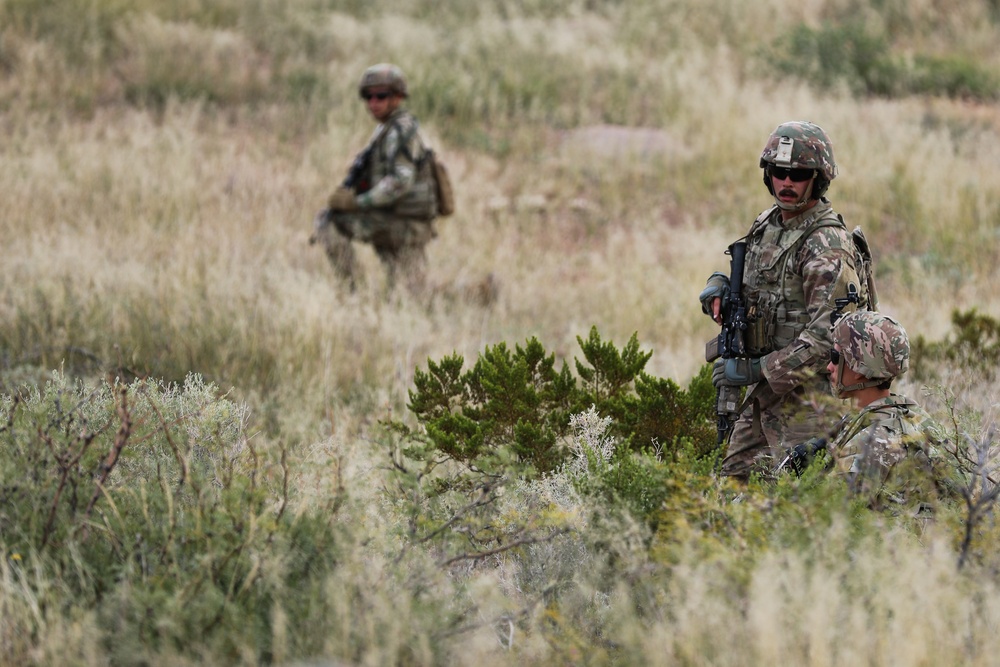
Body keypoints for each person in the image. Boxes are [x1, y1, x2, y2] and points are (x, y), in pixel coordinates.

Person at [700, 121, 867, 481]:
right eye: (779, 172)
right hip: (766, 398)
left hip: (810, 404)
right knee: (733, 490)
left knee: (801, 504)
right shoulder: (769, 223)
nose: (786, 183)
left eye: (799, 174)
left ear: (818, 178)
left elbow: (830, 338)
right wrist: (721, 287)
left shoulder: (827, 245)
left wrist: (758, 370)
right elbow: (758, 286)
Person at [786, 311, 951, 509]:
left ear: (859, 368)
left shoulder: (872, 440)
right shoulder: (908, 413)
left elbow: (832, 518)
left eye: (836, 357)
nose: (830, 366)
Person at [310, 63, 438, 294]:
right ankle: (478, 293)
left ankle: (353, 291)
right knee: (410, 295)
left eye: (381, 96)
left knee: (327, 222)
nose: (373, 103)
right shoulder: (389, 129)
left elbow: (400, 182)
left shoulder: (399, 131)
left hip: (402, 223)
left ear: (398, 97)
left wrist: (357, 203)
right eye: (368, 97)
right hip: (399, 219)